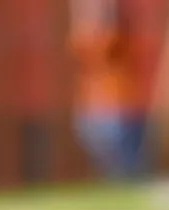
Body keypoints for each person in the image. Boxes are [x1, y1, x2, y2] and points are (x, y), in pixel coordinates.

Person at [69, 0, 146, 181]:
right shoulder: (84, 41)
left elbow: (111, 38)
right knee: (114, 168)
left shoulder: (113, 38)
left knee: (127, 168)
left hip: (119, 113)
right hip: (97, 113)